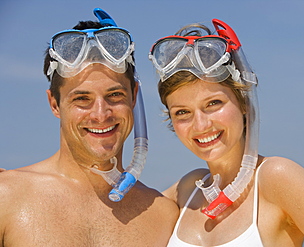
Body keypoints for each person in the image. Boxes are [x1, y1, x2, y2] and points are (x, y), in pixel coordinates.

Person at [149, 19, 304, 246]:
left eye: (213, 103)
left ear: (244, 102)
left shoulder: (276, 178)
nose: (201, 125)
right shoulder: (188, 189)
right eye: (182, 112)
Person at [0, 8, 178, 246]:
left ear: (134, 97)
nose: (101, 114)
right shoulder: (7, 197)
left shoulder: (164, 215)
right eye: (82, 99)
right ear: (55, 104)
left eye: (114, 95)